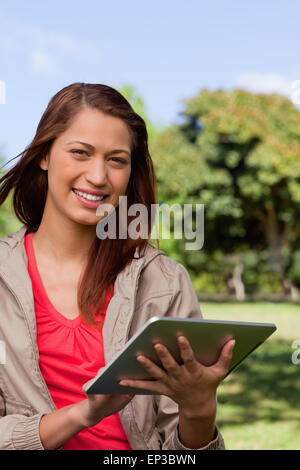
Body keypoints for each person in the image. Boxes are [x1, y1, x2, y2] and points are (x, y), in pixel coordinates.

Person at [0, 82, 235, 450]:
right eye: (80, 152)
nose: (98, 176)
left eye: (116, 160)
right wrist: (82, 414)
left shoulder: (164, 281)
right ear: (44, 155)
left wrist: (200, 409)